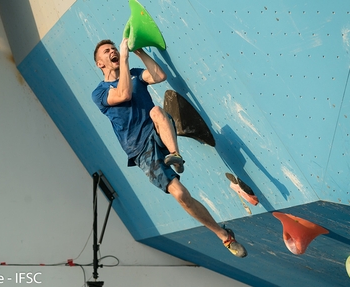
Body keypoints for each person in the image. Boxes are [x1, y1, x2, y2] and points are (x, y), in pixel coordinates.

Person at [92, 39, 247, 258]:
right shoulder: (99, 93)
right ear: (101, 64)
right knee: (181, 194)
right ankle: (224, 236)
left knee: (156, 111)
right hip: (141, 152)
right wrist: (125, 59)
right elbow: (123, 95)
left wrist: (139, 51)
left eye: (114, 49)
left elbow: (159, 76)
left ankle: (175, 155)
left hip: (158, 130)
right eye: (107, 52)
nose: (113, 52)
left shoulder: (135, 73)